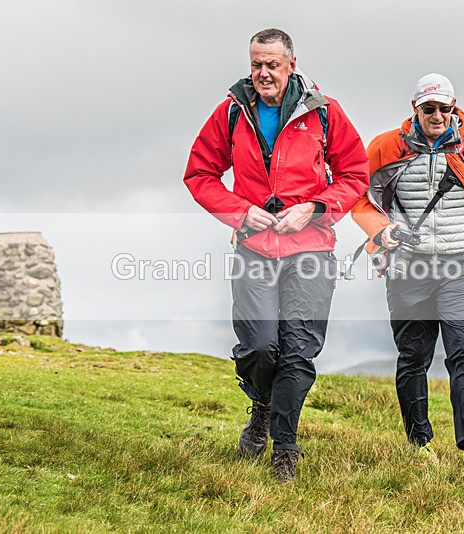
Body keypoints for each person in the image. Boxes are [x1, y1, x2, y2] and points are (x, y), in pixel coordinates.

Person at [184, 29, 369, 483]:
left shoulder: (323, 111)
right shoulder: (231, 112)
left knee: (298, 349)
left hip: (311, 249)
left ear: (291, 65)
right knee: (260, 346)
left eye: (272, 64)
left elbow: (354, 174)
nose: (263, 73)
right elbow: (200, 174)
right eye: (256, 64)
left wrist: (315, 208)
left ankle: (285, 446)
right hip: (254, 248)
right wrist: (240, 212)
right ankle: (262, 405)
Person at [351, 73, 464, 473]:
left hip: (461, 265)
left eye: (444, 108)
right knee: (413, 356)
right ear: (415, 109)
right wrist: (380, 230)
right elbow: (358, 196)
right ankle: (419, 442)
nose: (437, 116)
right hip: (408, 268)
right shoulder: (385, 147)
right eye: (429, 109)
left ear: (454, 108)